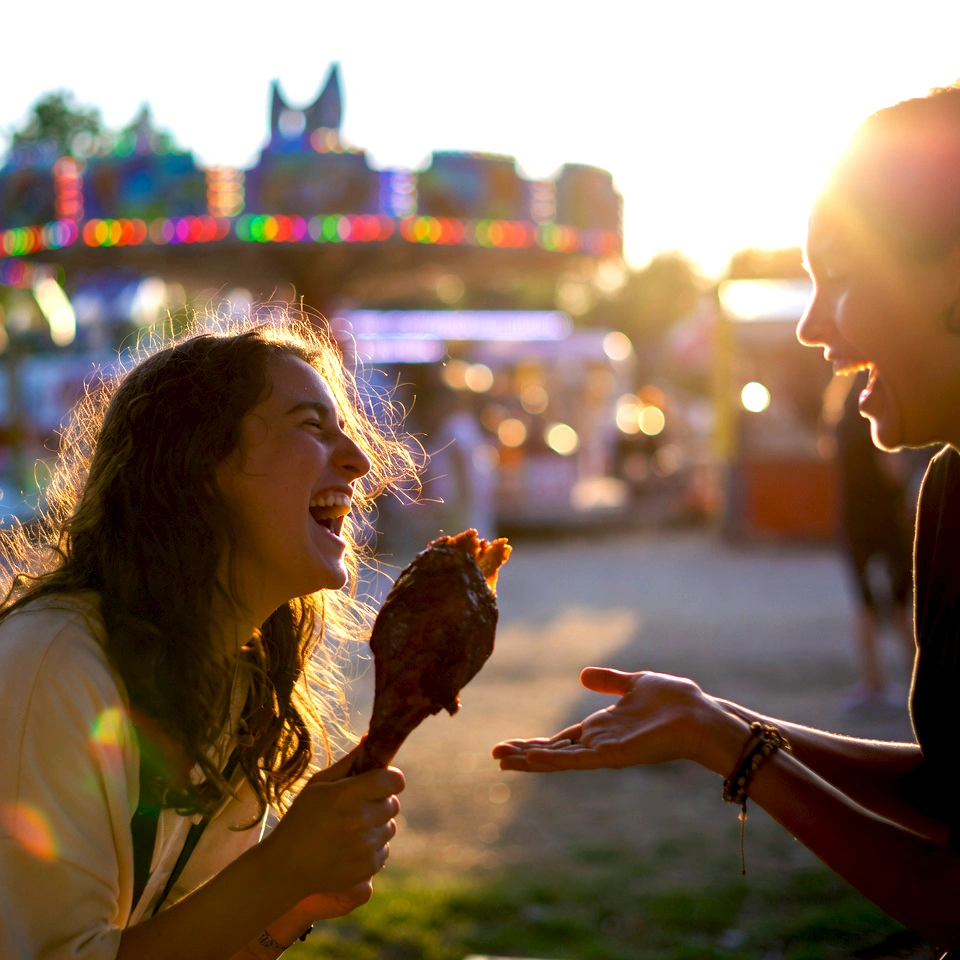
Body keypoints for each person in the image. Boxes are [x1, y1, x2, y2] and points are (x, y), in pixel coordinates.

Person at [494, 83, 960, 957]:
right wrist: (720, 724)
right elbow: (947, 794)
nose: (816, 326)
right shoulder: (950, 492)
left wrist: (736, 756)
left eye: (845, 279)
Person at [0, 313, 418, 959]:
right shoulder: (52, 663)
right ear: (199, 464)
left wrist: (290, 904)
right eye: (311, 425)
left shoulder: (235, 683)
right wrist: (280, 865)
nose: (361, 460)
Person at [830, 368, 917, 712]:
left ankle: (872, 682)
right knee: (901, 600)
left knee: (863, 602)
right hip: (886, 518)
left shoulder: (838, 418)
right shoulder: (873, 416)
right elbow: (891, 469)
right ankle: (918, 677)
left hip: (852, 519)